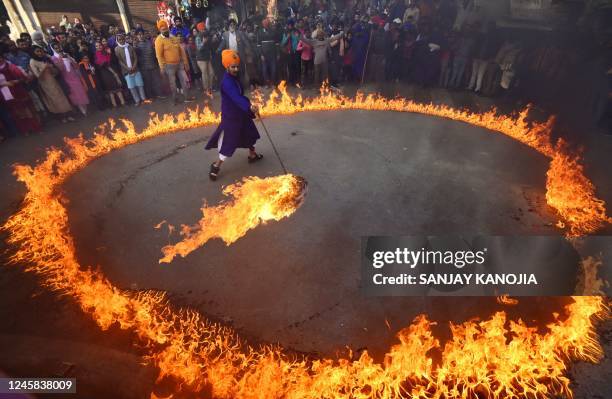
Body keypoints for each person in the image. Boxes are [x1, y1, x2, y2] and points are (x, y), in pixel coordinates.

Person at [205, 49, 263, 181]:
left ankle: (252, 155)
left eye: (237, 66)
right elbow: (236, 97)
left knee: (249, 133)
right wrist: (249, 106)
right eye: (233, 67)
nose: (236, 69)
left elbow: (240, 95)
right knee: (228, 142)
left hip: (241, 112)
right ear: (227, 66)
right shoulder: (227, 82)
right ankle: (216, 165)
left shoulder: (234, 77)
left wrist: (248, 106)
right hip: (232, 116)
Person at [29, 45, 74, 123]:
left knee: (61, 98)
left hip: (53, 81)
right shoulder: (32, 61)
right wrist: (44, 67)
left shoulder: (45, 58)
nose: (39, 53)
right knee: (54, 100)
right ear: (33, 53)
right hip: (45, 84)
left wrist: (51, 67)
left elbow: (55, 71)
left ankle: (68, 115)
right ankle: (62, 118)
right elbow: (37, 75)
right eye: (37, 52)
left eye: (40, 51)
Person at [155, 19, 194, 104]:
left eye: (166, 29)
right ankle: (175, 99)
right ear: (160, 30)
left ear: (168, 28)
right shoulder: (158, 40)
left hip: (179, 63)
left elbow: (181, 51)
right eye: (163, 29)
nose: (165, 30)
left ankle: (187, 97)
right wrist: (162, 67)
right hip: (169, 66)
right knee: (173, 84)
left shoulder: (173, 37)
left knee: (184, 80)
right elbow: (159, 55)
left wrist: (185, 62)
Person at [0, 53, 41, 134]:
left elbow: (23, 77)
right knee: (18, 113)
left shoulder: (11, 66)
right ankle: (25, 130)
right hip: (6, 94)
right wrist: (4, 84)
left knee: (28, 110)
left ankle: (36, 127)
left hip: (18, 90)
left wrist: (17, 81)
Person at [51, 41, 89, 115]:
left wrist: (68, 57)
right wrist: (61, 59)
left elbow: (75, 66)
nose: (58, 49)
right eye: (56, 48)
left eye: (59, 47)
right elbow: (60, 69)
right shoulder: (53, 58)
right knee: (74, 95)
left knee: (81, 92)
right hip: (66, 78)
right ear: (53, 49)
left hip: (74, 76)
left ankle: (85, 108)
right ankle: (82, 111)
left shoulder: (66, 54)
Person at [115, 33, 147, 105]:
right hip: (126, 71)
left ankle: (143, 99)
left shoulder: (130, 47)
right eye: (119, 40)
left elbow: (135, 57)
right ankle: (137, 101)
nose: (122, 40)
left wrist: (134, 66)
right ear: (117, 41)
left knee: (140, 85)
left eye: (123, 39)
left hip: (135, 69)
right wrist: (127, 68)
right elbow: (120, 61)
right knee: (132, 87)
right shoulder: (116, 49)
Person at [94, 41, 125, 107]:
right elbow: (98, 66)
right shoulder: (96, 55)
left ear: (102, 46)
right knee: (110, 90)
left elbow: (113, 61)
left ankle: (123, 103)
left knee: (117, 87)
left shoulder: (107, 52)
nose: (98, 47)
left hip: (112, 71)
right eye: (96, 46)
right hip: (104, 74)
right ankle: (114, 105)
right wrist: (103, 63)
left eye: (99, 45)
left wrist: (110, 54)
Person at [135, 30, 165, 99]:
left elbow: (155, 54)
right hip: (144, 68)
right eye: (139, 35)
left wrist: (157, 64)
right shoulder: (136, 45)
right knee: (148, 83)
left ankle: (159, 94)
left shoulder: (150, 43)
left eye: (142, 34)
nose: (141, 36)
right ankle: (150, 96)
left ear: (144, 35)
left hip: (153, 65)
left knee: (157, 81)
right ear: (136, 36)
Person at [195, 26, 215, 94]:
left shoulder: (207, 36)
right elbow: (199, 48)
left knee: (211, 73)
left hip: (207, 57)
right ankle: (206, 89)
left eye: (204, 29)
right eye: (202, 29)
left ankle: (210, 87)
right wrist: (203, 42)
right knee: (205, 73)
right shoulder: (198, 37)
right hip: (201, 58)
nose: (203, 30)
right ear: (199, 30)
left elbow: (209, 47)